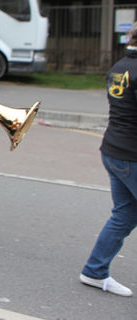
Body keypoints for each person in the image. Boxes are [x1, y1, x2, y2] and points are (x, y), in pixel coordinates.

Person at [79, 21, 137, 297]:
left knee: (125, 214)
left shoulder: (119, 67)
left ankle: (95, 270)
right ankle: (95, 269)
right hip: (131, 155)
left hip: (114, 150)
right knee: (124, 213)